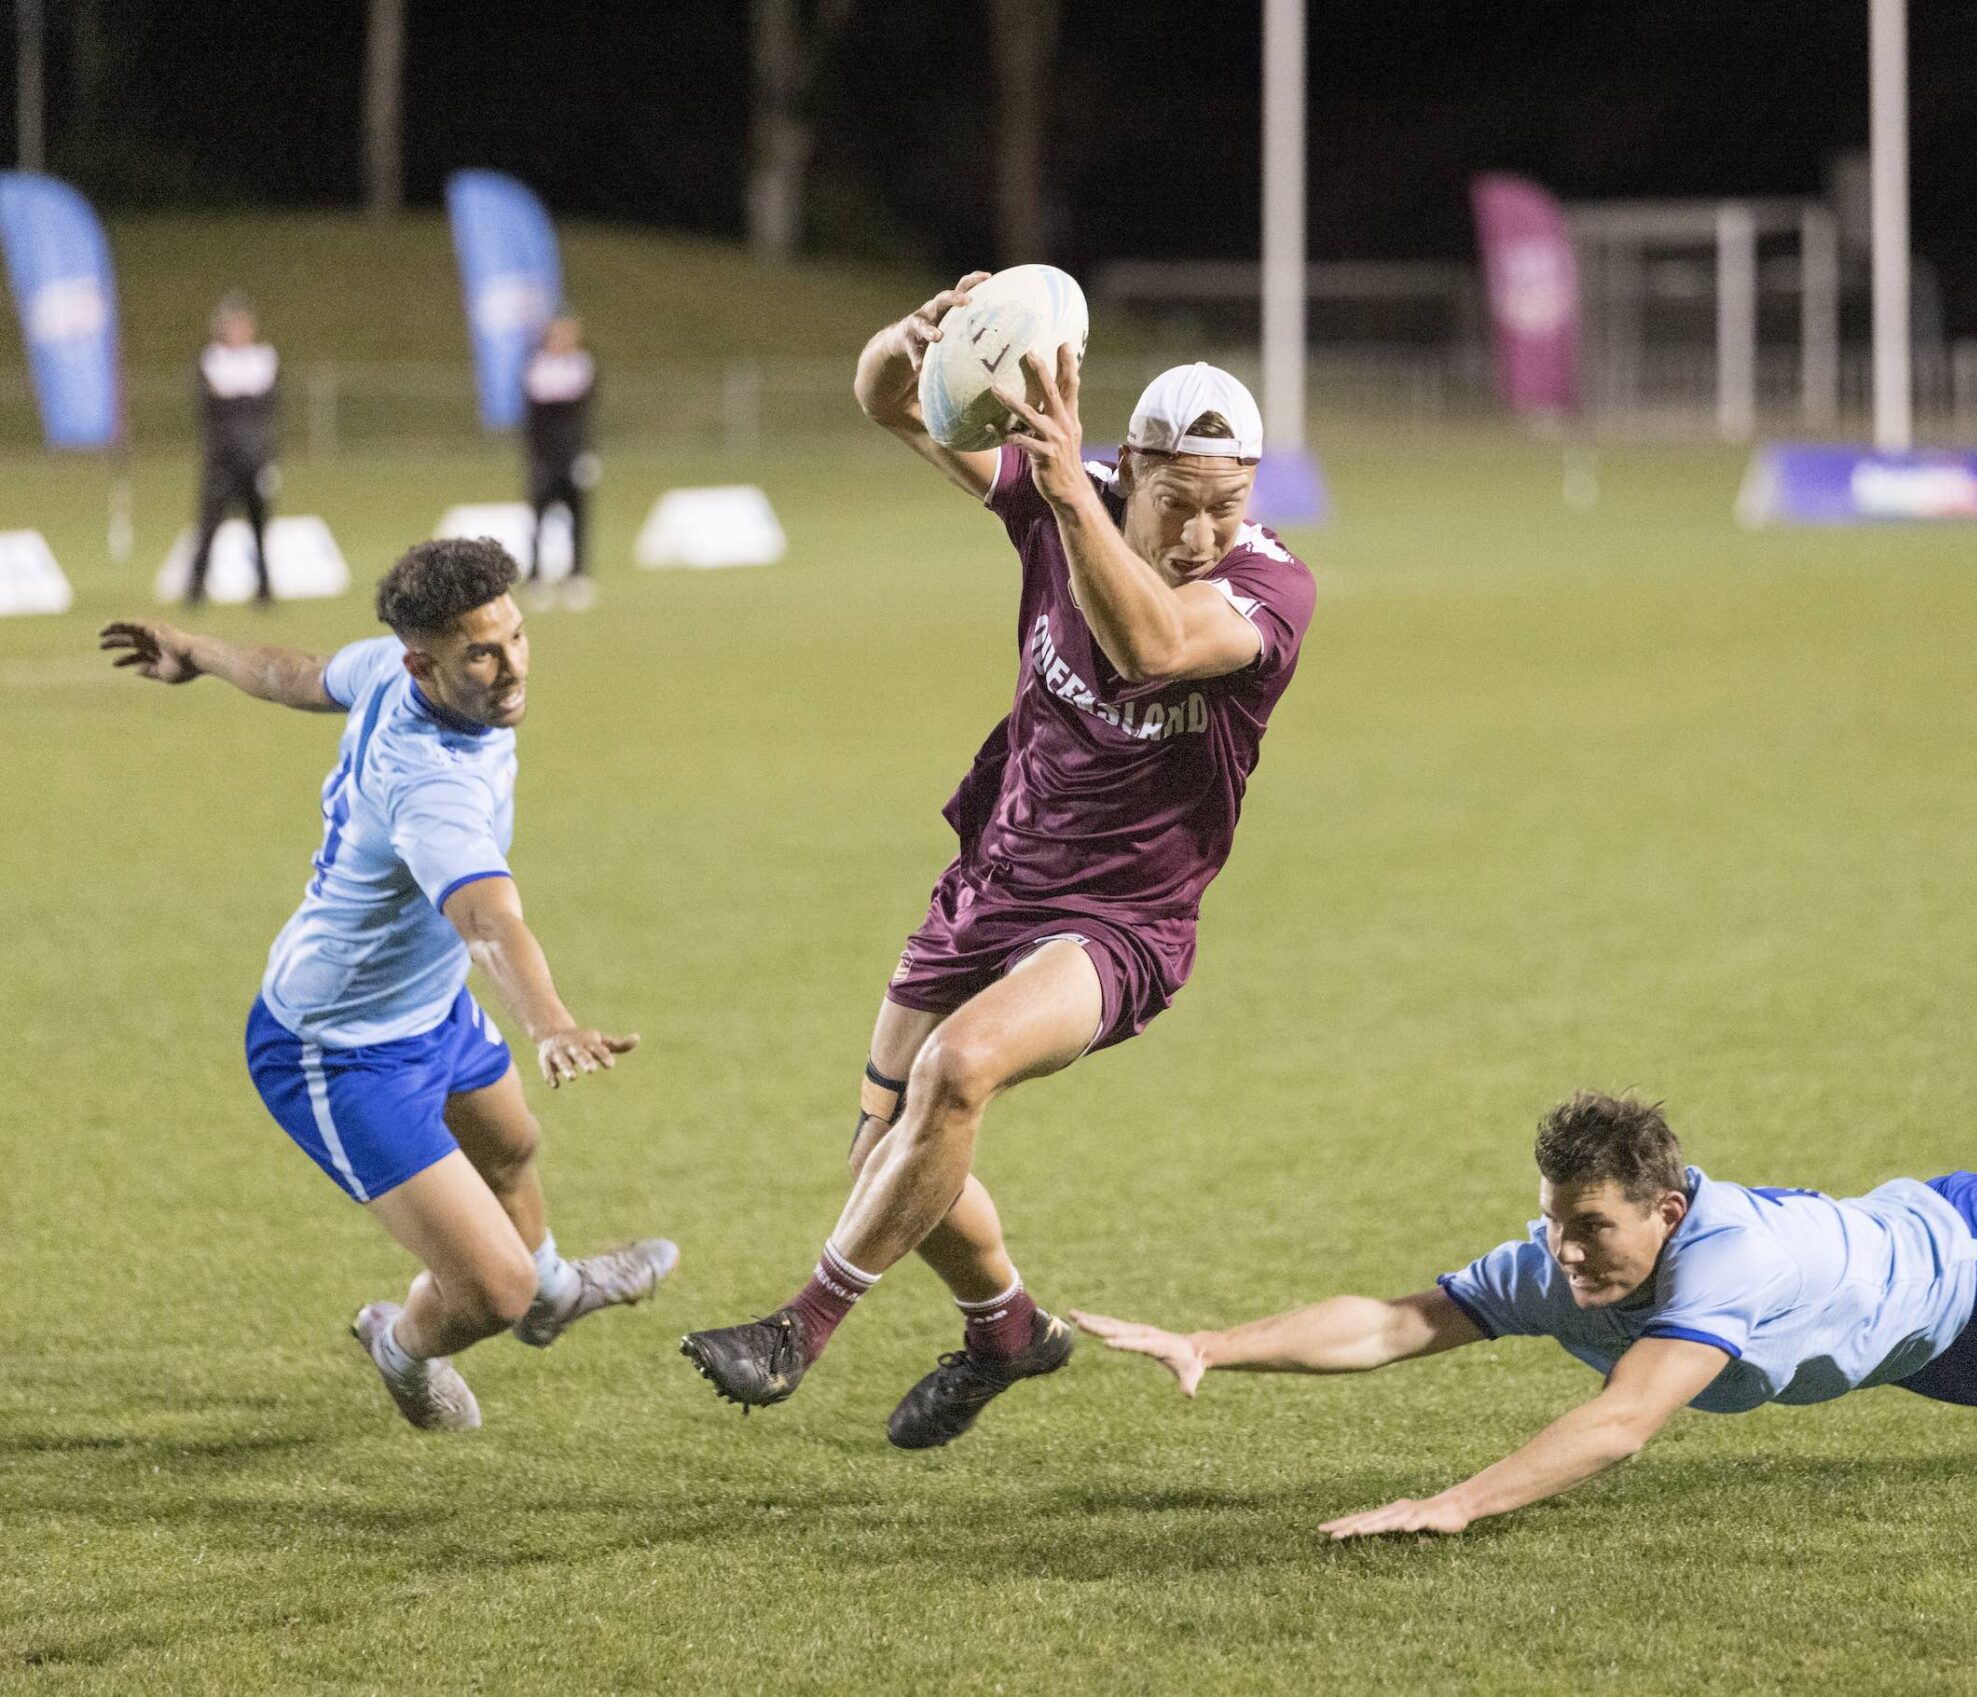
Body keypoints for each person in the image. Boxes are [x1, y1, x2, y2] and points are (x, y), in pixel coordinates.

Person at [679, 276, 1317, 1450]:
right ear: (1137, 469)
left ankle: (800, 1325)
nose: (1200, 535)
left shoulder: (1268, 590)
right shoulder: (1067, 496)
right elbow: (884, 403)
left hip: (1121, 924)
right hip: (995, 876)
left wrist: (1073, 496)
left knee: (958, 1071)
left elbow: (1151, 643)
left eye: (1227, 507)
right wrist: (915, 340)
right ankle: (1007, 1328)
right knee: (887, 1159)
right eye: (1178, 502)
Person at [1075, 1093, 1977, 1540]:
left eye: (1589, 1227)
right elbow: (1396, 1322)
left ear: (1663, 1210)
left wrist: (1450, 1504)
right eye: (1553, 1218)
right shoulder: (1569, 1263)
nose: (1562, 1251)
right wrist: (1215, 1343)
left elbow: (1621, 1422)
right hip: (1946, 1355)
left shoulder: (1710, 1267)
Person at [97, 538, 678, 1432]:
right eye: (482, 653)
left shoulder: (390, 671)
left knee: (512, 1149)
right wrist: (551, 1019)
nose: (512, 666)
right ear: (426, 663)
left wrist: (199, 651)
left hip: (427, 1006)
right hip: (336, 1049)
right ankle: (403, 1347)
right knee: (492, 1290)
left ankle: (559, 1293)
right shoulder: (430, 783)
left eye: (515, 636)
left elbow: (299, 671)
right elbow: (489, 921)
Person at [187, 295, 280, 604]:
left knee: (258, 525)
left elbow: (265, 407)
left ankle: (265, 587)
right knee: (208, 525)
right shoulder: (213, 360)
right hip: (223, 459)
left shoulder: (262, 359)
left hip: (254, 458)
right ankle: (195, 587)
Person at [521, 313, 599, 610]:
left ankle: (577, 575)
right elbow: (534, 416)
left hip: (573, 454)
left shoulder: (582, 365)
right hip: (543, 456)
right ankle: (536, 576)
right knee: (538, 518)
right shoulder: (537, 365)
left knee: (577, 516)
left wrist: (584, 453)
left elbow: (583, 415)